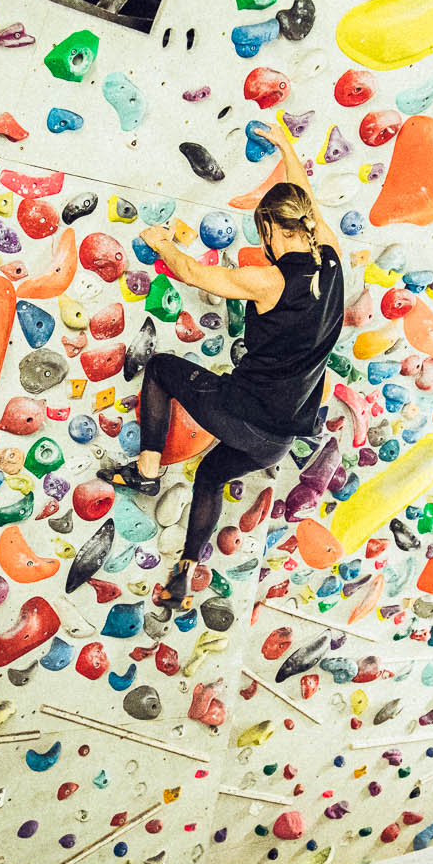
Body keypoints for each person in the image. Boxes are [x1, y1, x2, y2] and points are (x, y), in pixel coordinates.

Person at [102, 130, 346, 608]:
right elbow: (308, 204)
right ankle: (183, 574)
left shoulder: (270, 280)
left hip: (243, 413)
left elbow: (193, 274)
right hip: (278, 440)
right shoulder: (333, 262)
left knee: (164, 369)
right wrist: (287, 151)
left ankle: (147, 471)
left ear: (271, 231)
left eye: (263, 233)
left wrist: (160, 243)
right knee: (210, 474)